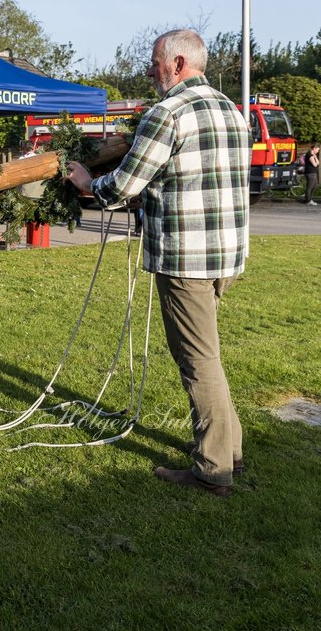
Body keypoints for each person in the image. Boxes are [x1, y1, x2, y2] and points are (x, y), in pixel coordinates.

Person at [66, 29, 249, 497]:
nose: (150, 70)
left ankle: (212, 468)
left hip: (185, 257)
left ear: (179, 63)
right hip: (226, 255)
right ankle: (230, 451)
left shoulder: (167, 114)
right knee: (208, 354)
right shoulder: (231, 110)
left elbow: (124, 185)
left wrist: (88, 183)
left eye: (154, 62)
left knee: (197, 360)